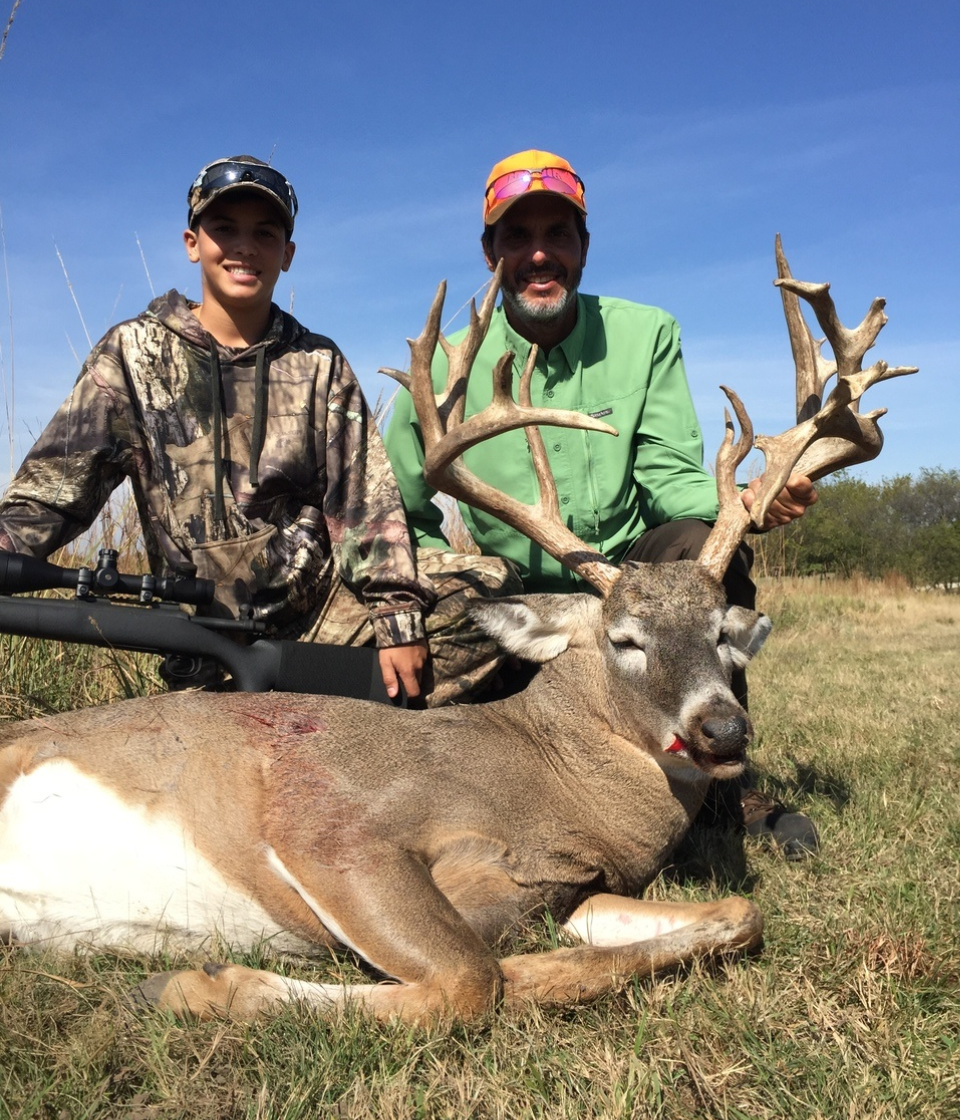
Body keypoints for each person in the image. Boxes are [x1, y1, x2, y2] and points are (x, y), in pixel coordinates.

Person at [384, 148, 820, 856]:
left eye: (558, 233)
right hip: (520, 604)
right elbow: (398, 511)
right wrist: (417, 600)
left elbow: (669, 478)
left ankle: (715, 789)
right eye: (517, 237)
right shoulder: (439, 368)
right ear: (489, 250)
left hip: (629, 597)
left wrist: (746, 505)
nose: (538, 254)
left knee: (699, 550)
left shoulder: (644, 334)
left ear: (583, 247)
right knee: (469, 591)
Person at [0, 155, 518, 705]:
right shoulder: (130, 354)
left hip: (321, 610)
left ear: (286, 255)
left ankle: (326, 702)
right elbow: (50, 497)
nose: (244, 247)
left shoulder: (321, 363)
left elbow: (365, 504)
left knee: (496, 593)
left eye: (264, 233)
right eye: (224, 228)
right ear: (192, 241)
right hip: (201, 632)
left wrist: (396, 617)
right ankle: (314, 707)